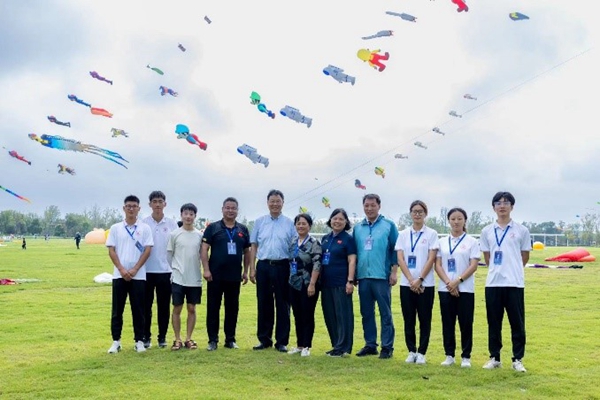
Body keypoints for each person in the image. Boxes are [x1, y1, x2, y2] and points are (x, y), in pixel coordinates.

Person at [480, 192, 531, 373]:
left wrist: (512, 269)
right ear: (493, 207)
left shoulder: (522, 230)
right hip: (493, 283)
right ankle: (495, 357)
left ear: (512, 206)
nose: (502, 206)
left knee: (517, 323)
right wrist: (498, 269)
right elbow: (487, 257)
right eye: (498, 203)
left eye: (506, 202)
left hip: (514, 284)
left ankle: (517, 359)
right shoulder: (487, 231)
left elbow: (525, 256)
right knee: (494, 323)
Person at [201, 197, 251, 351]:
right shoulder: (213, 228)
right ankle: (212, 340)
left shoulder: (243, 229)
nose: (230, 210)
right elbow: (204, 249)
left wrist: (246, 271)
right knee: (213, 308)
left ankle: (230, 339)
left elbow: (247, 251)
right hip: (215, 275)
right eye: (227, 208)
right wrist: (206, 269)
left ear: (237, 210)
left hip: (234, 276)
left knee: (232, 308)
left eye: (233, 208)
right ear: (222, 209)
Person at [352, 194, 399, 359]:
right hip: (363, 276)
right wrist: (354, 274)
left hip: (382, 276)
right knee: (366, 312)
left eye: (373, 205)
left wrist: (394, 272)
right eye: (366, 205)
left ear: (379, 206)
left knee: (385, 313)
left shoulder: (388, 225)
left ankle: (387, 347)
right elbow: (354, 253)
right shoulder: (358, 228)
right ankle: (370, 344)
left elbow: (395, 250)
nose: (369, 208)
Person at [249, 189, 296, 352]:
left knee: (283, 304)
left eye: (278, 201)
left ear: (283, 203)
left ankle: (281, 341)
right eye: (272, 201)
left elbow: (294, 248)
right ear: (267, 203)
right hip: (264, 266)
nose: (275, 204)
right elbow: (254, 246)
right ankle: (264, 339)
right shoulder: (259, 222)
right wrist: (252, 268)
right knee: (264, 303)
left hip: (283, 266)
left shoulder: (290, 223)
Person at [106, 195, 154, 354]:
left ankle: (139, 341)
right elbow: (111, 250)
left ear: (139, 208)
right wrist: (121, 269)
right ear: (124, 208)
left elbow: (147, 250)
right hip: (119, 275)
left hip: (138, 276)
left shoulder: (145, 228)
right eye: (128, 206)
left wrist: (135, 269)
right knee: (117, 310)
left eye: (134, 206)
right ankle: (116, 341)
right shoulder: (115, 228)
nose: (131, 209)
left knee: (139, 309)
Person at [434, 208, 480, 368]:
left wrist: (458, 281)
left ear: (465, 220)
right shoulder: (441, 242)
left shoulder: (472, 242)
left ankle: (466, 356)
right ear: (449, 221)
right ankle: (449, 355)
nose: (456, 222)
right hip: (445, 288)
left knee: (466, 323)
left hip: (465, 288)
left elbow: (473, 265)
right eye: (453, 219)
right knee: (447, 322)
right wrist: (449, 283)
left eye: (459, 218)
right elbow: (438, 265)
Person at [396, 200, 439, 365]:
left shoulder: (431, 234)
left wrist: (420, 279)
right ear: (410, 213)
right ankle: (411, 350)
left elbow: (431, 258)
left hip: (425, 284)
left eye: (420, 211)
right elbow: (400, 258)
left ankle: (422, 352)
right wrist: (410, 280)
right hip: (406, 284)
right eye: (414, 211)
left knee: (424, 318)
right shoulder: (403, 234)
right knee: (408, 319)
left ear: (425, 214)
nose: (417, 214)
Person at [142, 191, 179, 349]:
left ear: (165, 204)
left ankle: (162, 337)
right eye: (154, 201)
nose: (157, 204)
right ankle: (146, 337)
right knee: (146, 306)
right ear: (150, 204)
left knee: (164, 306)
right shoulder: (143, 223)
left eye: (160, 201)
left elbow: (176, 246)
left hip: (166, 271)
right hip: (146, 271)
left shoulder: (171, 224)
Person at [320, 208, 356, 357]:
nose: (337, 221)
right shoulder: (325, 238)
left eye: (341, 219)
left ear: (346, 222)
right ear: (330, 220)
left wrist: (350, 281)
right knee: (330, 315)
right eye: (335, 218)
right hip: (326, 283)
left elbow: (352, 260)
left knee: (343, 316)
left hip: (341, 283)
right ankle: (336, 345)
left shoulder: (348, 239)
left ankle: (344, 347)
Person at [168, 203, 203, 351]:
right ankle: (177, 339)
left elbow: (202, 255)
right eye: (186, 214)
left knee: (191, 308)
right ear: (181, 215)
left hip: (194, 278)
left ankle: (189, 338)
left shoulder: (200, 235)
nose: (188, 217)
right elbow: (169, 255)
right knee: (177, 308)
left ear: (195, 216)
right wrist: (175, 270)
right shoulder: (174, 234)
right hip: (178, 278)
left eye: (191, 214)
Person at [286, 213, 322, 357]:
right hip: (294, 283)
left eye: (304, 223)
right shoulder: (293, 242)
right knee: (297, 314)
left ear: (309, 226)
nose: (301, 226)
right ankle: (299, 345)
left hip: (308, 283)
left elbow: (317, 264)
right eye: (298, 223)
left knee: (307, 314)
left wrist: (312, 284)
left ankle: (307, 345)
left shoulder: (314, 243)